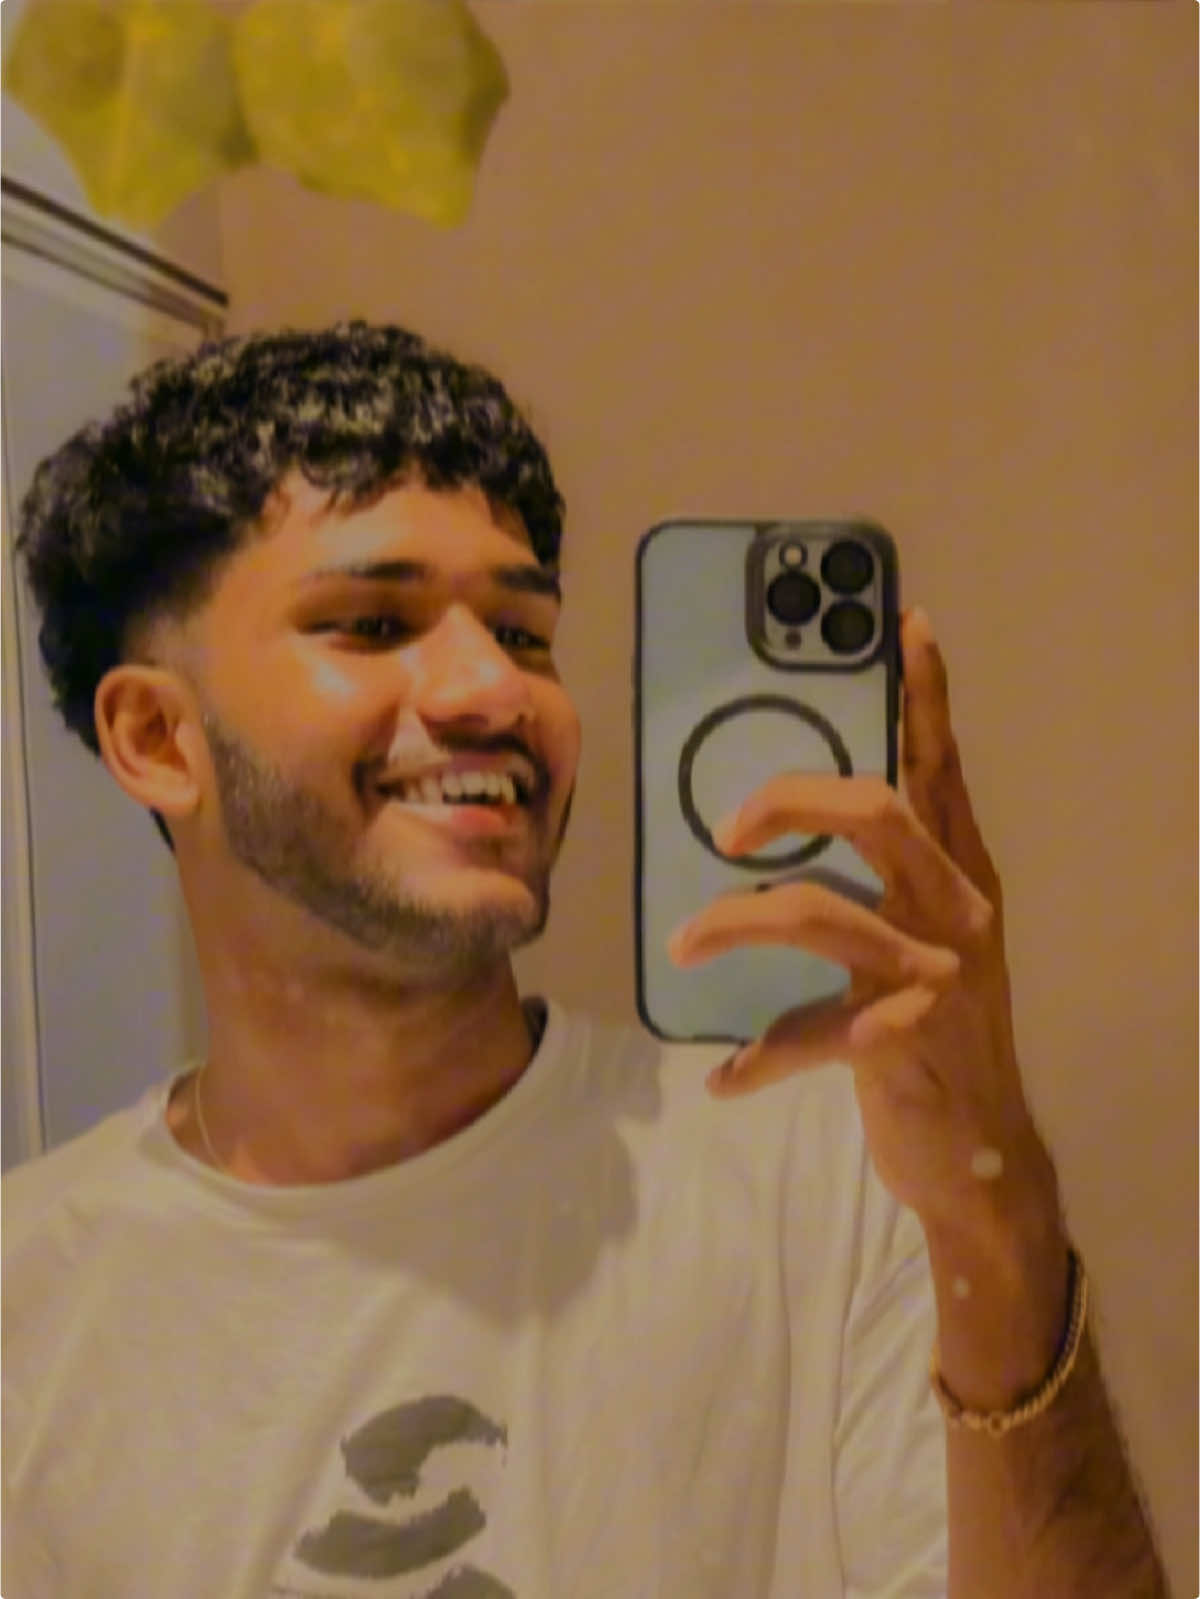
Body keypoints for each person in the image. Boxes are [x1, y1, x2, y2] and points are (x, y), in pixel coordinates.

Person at [3, 321, 1166, 1599]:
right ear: (157, 739)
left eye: (524, 632)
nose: (493, 690)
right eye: (374, 622)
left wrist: (999, 1220)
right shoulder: (32, 1302)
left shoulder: (836, 1175)